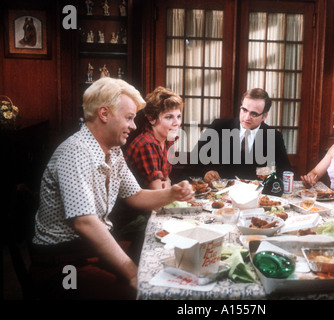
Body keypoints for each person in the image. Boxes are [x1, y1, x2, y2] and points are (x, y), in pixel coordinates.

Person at [30, 78, 194, 300]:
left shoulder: (113, 151)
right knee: (140, 294)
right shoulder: (75, 151)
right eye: (128, 118)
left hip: (87, 253)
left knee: (163, 264)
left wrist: (172, 194)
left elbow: (136, 196)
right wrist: (131, 273)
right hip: (63, 267)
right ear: (104, 114)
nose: (134, 125)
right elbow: (85, 222)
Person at [194, 88, 291, 182]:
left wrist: (269, 173)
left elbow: (285, 171)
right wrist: (206, 172)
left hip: (256, 194)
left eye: (254, 114)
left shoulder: (274, 137)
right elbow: (194, 160)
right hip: (220, 192)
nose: (246, 117)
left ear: (264, 116)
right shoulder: (219, 127)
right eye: (244, 110)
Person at [124, 86, 183, 189]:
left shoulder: (168, 141)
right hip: (138, 204)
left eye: (178, 117)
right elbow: (158, 191)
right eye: (169, 117)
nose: (177, 123)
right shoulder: (147, 144)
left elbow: (166, 181)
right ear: (151, 119)